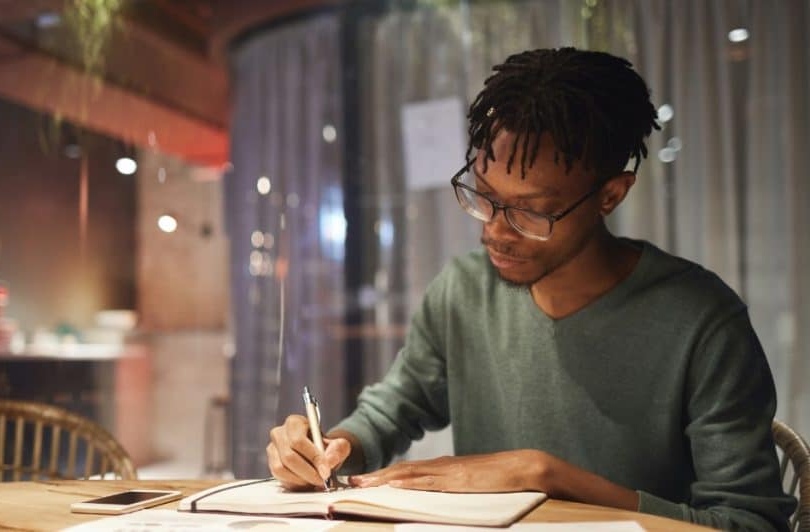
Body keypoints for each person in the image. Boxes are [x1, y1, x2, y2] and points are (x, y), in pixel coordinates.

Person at [265, 47, 796, 531]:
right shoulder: (464, 291)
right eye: (485, 196)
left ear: (610, 195)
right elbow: (391, 411)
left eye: (529, 212)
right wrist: (330, 447)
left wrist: (545, 474)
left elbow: (749, 523)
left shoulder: (702, 322)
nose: (494, 230)